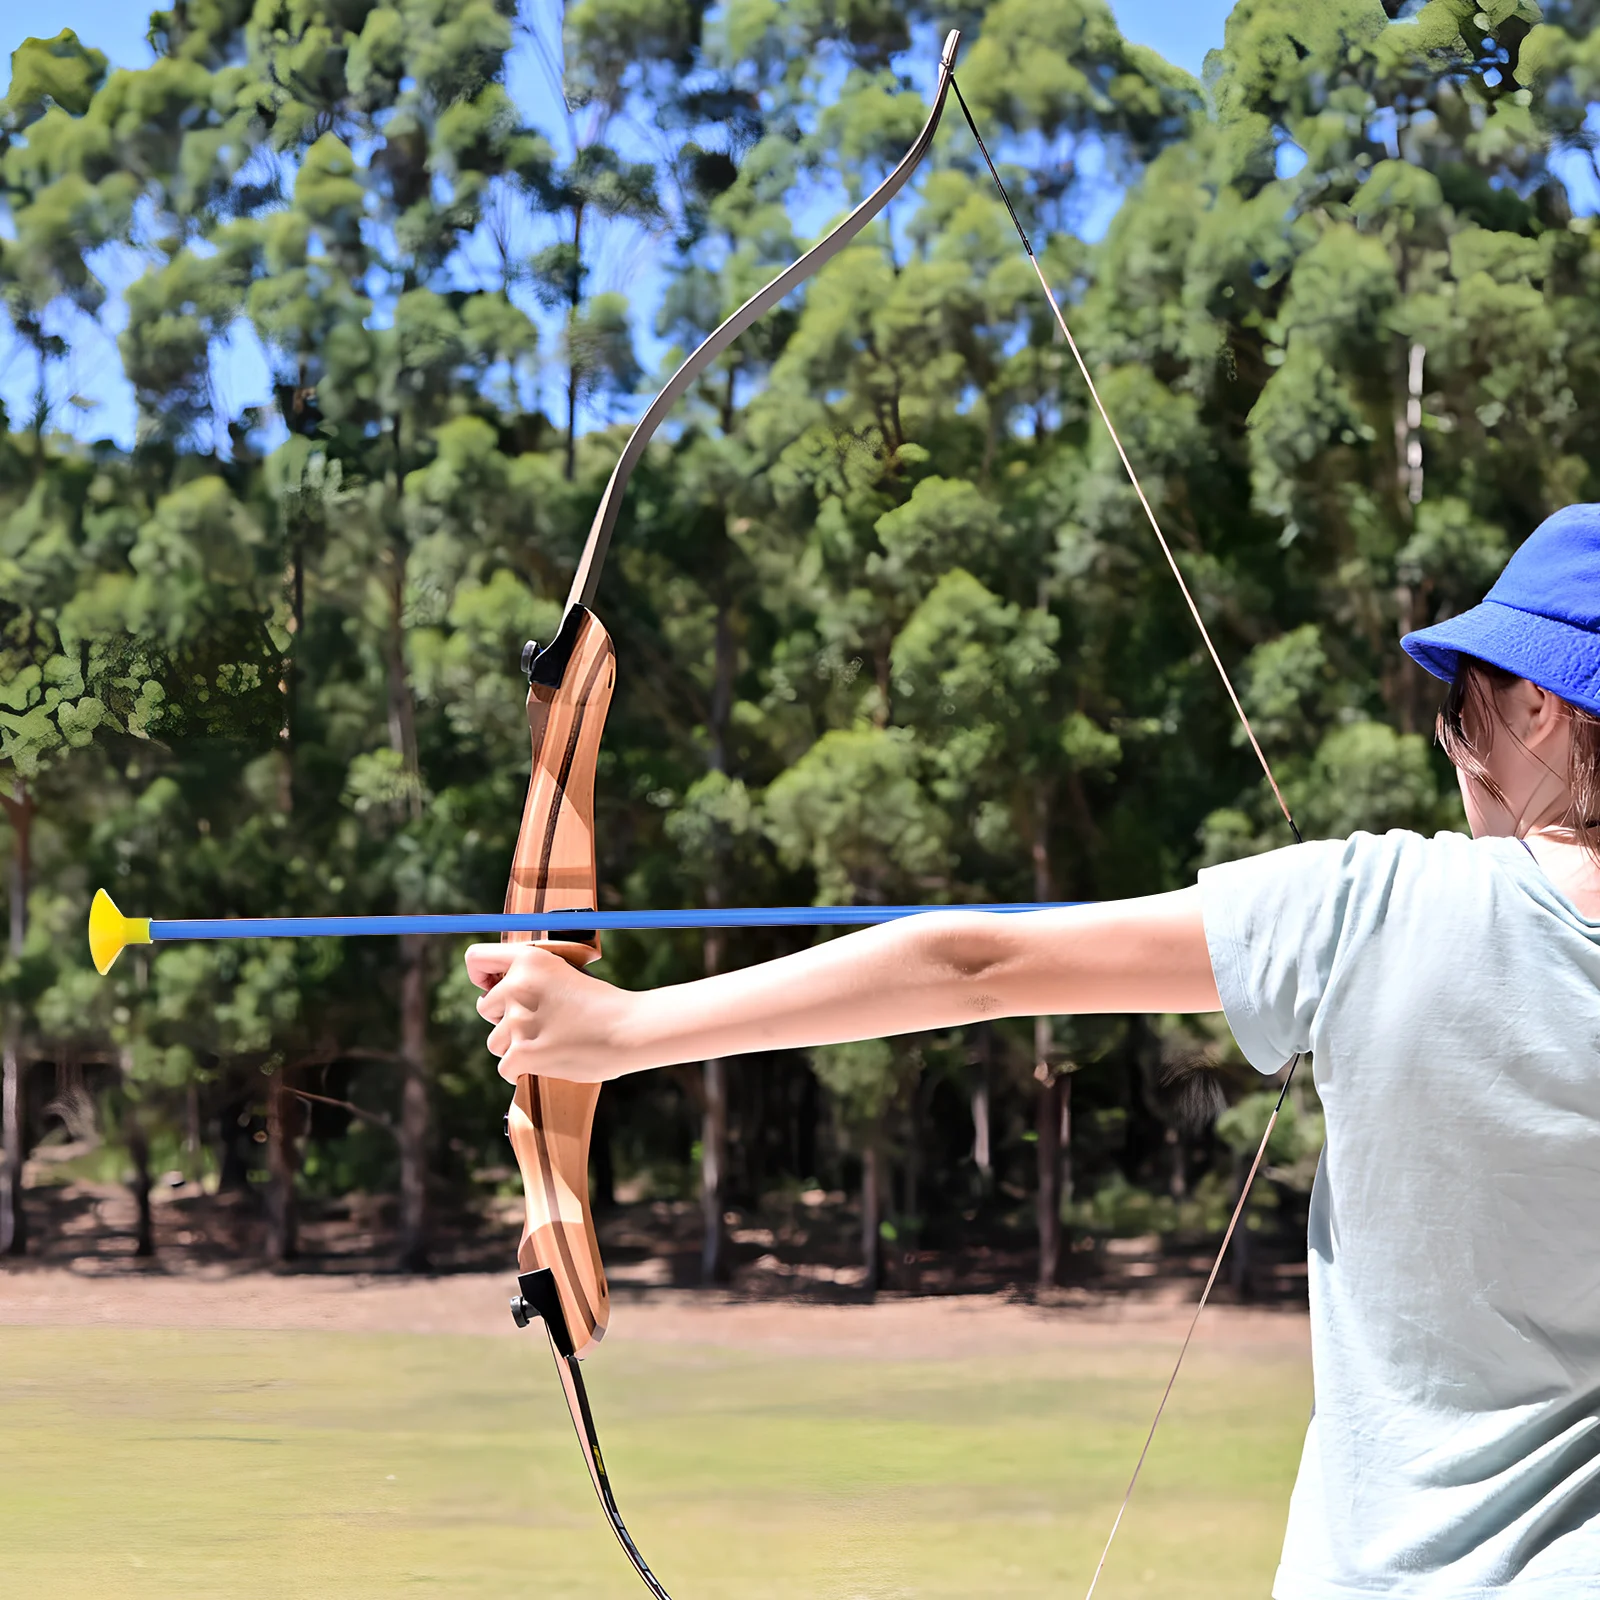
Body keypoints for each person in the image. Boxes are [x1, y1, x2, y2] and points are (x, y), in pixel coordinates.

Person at [467, 504, 1600, 1596]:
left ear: (1541, 705)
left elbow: (978, 964)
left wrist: (615, 1030)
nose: (1452, 744)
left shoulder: (1382, 900)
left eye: (1463, 706)